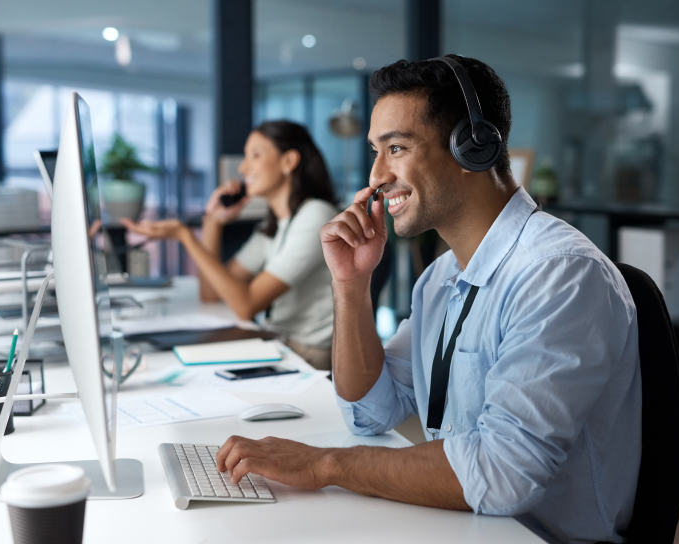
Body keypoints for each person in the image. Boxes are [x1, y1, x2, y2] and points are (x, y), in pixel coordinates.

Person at [214, 56, 641, 544]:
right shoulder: (441, 277)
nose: (375, 175)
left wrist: (323, 464)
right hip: (459, 522)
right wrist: (351, 286)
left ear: (472, 148)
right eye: (375, 150)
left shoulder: (559, 274)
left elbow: (503, 474)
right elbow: (369, 412)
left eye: (396, 148)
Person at [122, 120, 339, 370]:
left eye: (255, 156)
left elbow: (245, 305)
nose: (244, 168)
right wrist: (213, 223)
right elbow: (211, 293)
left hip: (307, 354)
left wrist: (185, 235)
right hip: (280, 342)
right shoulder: (275, 224)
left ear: (288, 162)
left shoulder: (315, 216)